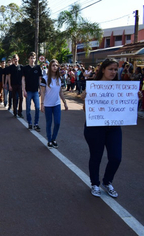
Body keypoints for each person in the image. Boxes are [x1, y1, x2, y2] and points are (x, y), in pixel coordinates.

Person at [82, 58, 142, 198]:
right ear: (103, 69)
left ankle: (107, 181)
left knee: (116, 157)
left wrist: (135, 98)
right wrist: (85, 99)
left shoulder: (120, 87)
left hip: (114, 127)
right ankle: (95, 184)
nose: (113, 72)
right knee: (96, 157)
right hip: (95, 128)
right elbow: (87, 110)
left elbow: (126, 106)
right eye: (110, 69)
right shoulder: (93, 86)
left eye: (115, 69)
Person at [40, 59, 68, 148]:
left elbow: (61, 92)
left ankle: (54, 138)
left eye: (56, 65)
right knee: (49, 123)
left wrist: (65, 102)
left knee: (57, 122)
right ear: (50, 67)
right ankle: (49, 140)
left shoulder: (59, 79)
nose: (55, 67)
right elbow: (43, 92)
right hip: (48, 105)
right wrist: (42, 104)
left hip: (56, 104)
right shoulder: (44, 79)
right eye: (53, 65)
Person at [23, 52, 42, 131]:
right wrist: (24, 90)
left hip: (35, 91)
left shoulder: (38, 68)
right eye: (31, 58)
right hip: (28, 91)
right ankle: (30, 123)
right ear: (28, 59)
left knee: (37, 108)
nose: (32, 59)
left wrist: (41, 89)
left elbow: (40, 79)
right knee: (28, 108)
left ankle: (36, 123)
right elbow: (23, 79)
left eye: (33, 58)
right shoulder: (25, 68)